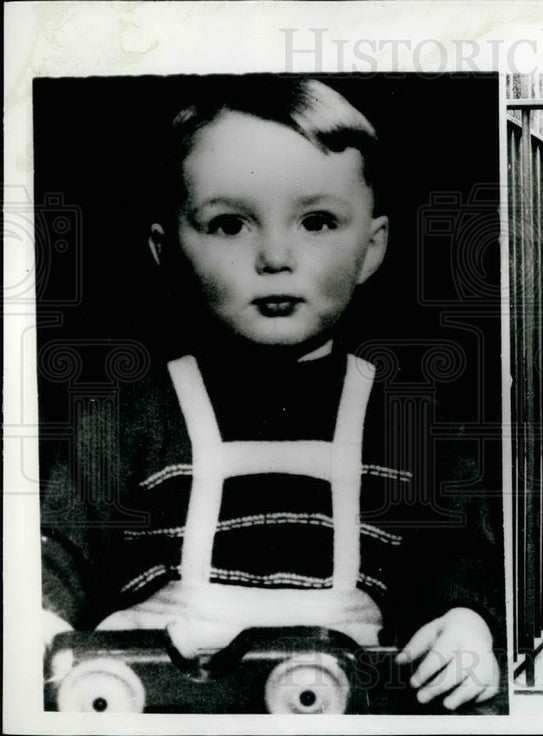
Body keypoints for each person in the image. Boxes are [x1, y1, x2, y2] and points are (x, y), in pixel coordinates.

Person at [40, 77, 502, 712]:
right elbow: (56, 550)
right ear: (167, 251)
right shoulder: (124, 419)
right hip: (158, 710)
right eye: (229, 224)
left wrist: (463, 621)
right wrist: (35, 620)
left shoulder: (407, 425)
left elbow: (455, 557)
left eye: (316, 221)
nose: (276, 255)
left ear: (372, 248)